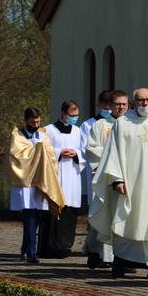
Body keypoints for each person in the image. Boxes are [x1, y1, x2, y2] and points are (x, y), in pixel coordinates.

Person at [90, 88, 148, 279]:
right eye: (140, 100)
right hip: (132, 185)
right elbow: (112, 153)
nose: (145, 104)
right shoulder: (123, 123)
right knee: (128, 221)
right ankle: (120, 264)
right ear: (134, 102)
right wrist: (117, 179)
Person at [6, 107, 66, 264]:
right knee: (29, 216)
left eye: (38, 121)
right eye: (33, 122)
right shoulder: (17, 136)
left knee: (38, 216)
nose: (36, 124)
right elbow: (17, 157)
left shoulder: (43, 134)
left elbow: (51, 156)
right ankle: (32, 252)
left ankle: (25, 247)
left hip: (41, 180)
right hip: (25, 182)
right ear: (26, 121)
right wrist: (38, 152)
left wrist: (44, 154)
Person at [83, 90, 129, 269]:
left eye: (124, 104)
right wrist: (114, 158)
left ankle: (122, 256)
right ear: (110, 106)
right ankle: (95, 251)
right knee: (102, 213)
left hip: (125, 179)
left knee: (122, 217)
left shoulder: (132, 125)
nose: (121, 107)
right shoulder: (100, 125)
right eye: (118, 104)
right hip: (105, 178)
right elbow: (92, 149)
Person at [40, 100, 85, 258]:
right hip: (56, 175)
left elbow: (85, 151)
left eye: (76, 115)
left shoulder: (78, 131)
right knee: (52, 210)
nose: (74, 118)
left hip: (72, 174)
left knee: (69, 211)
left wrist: (77, 154)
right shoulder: (48, 130)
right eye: (71, 115)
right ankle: (49, 247)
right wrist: (59, 152)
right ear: (63, 114)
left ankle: (65, 246)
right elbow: (42, 151)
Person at [79, 90, 111, 210]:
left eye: (110, 108)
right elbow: (85, 150)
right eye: (105, 108)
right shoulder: (88, 125)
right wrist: (109, 153)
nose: (108, 111)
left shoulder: (119, 123)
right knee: (97, 204)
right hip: (96, 169)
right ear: (98, 106)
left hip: (115, 169)